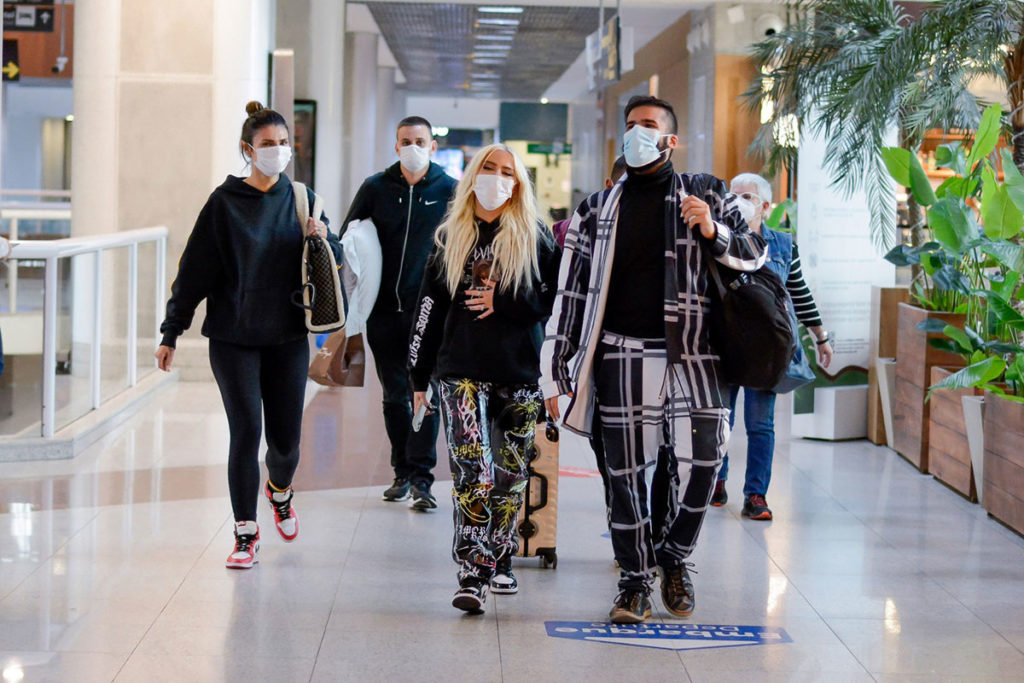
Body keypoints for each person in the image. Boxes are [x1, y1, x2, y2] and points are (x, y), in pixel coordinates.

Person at [541, 95, 767, 624]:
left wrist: (714, 230)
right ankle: (634, 580)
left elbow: (756, 255)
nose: (636, 134)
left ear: (671, 140)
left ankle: (674, 557)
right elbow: (570, 296)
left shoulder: (705, 191)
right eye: (630, 126)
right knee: (624, 473)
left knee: (706, 462)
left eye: (648, 125)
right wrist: (556, 370)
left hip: (695, 356)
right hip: (620, 355)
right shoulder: (596, 209)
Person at [156, 101, 341, 569]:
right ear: (247, 149)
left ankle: (280, 491)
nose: (277, 152)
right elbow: (193, 273)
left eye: (283, 144)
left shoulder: (302, 199)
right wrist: (171, 331)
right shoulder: (223, 204)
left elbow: (332, 260)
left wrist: (324, 238)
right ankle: (245, 532)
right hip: (233, 337)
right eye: (267, 145)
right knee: (246, 431)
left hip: (286, 338)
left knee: (286, 443)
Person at [408, 143, 561, 613]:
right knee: (471, 470)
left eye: (506, 173)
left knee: (511, 475)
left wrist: (505, 302)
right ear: (474, 174)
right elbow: (428, 311)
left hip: (519, 372)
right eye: (489, 169)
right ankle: (473, 570)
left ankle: (500, 560)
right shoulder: (448, 237)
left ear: (518, 184)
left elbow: (554, 302)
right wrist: (418, 379)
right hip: (461, 371)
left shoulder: (536, 237)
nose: (497, 178)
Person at [341, 116, 458, 511]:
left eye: (420, 141)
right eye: (406, 141)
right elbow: (349, 236)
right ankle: (402, 472)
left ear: (432, 146)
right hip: (383, 313)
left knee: (425, 394)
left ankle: (424, 480)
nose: (413, 147)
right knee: (394, 395)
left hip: (428, 314)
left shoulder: (450, 191)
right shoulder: (376, 188)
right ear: (395, 146)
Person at [710, 173, 834, 520]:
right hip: (726, 343)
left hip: (767, 348)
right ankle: (716, 481)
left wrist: (819, 335)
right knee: (722, 420)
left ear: (765, 206)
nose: (738, 202)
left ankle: (756, 494)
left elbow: (797, 290)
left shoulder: (781, 244)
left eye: (747, 196)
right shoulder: (718, 238)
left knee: (760, 425)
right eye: (732, 196)